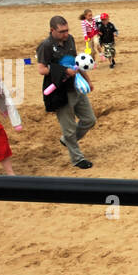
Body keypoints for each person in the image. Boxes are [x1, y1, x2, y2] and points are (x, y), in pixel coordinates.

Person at [36, 15, 96, 169]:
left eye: (67, 30)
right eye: (62, 31)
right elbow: (41, 69)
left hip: (76, 85)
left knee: (89, 120)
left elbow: (77, 61)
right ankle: (77, 159)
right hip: (60, 90)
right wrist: (63, 71)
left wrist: (88, 80)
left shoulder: (70, 40)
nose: (66, 34)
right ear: (52, 30)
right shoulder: (46, 46)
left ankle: (67, 140)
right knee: (68, 128)